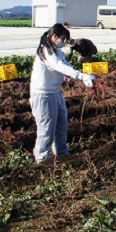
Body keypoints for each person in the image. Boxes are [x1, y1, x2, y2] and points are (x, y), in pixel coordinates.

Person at [30, 24, 95, 165]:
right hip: (43, 95)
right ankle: (42, 159)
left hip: (55, 93)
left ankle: (62, 154)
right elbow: (59, 66)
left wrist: (77, 75)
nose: (63, 42)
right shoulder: (46, 50)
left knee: (60, 125)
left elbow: (64, 63)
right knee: (46, 128)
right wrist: (81, 77)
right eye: (62, 38)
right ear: (54, 36)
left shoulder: (55, 49)